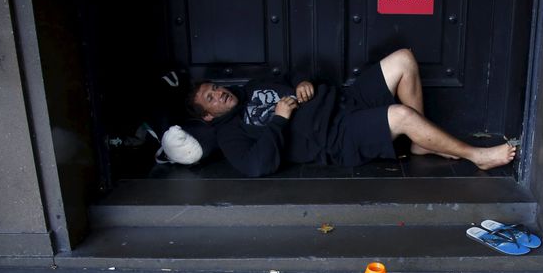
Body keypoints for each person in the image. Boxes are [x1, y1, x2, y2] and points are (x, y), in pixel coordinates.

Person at [186, 49, 516, 177]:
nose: (220, 93)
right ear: (208, 116)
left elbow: (290, 74)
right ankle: (477, 156)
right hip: (336, 137)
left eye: (215, 88)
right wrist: (278, 119)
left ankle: (420, 142)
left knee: (404, 59)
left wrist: (301, 81)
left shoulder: (251, 85)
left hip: (345, 98)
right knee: (400, 115)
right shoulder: (230, 135)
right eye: (211, 98)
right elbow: (257, 166)